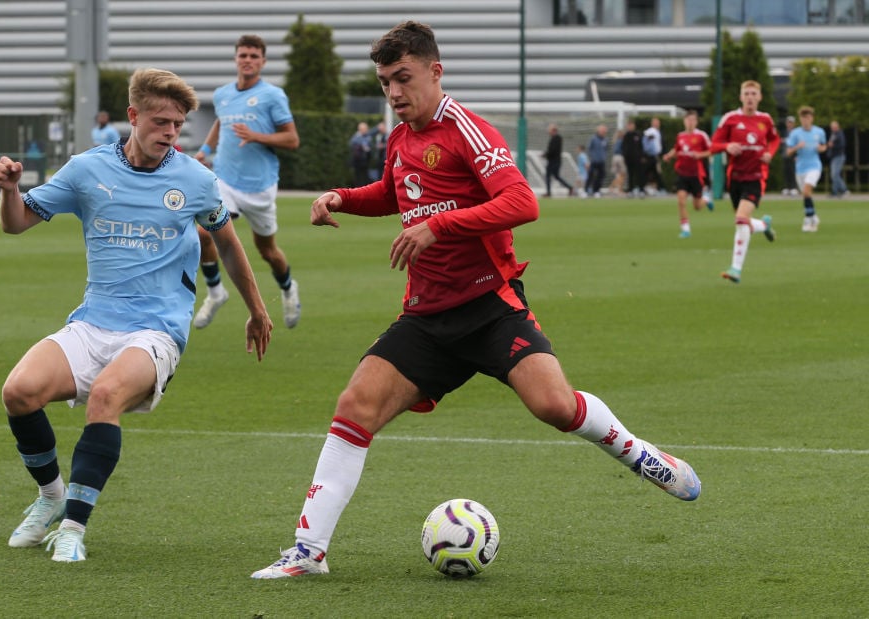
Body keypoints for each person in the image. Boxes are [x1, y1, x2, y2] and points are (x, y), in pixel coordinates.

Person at [250, 20, 701, 580]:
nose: (393, 92)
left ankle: (639, 453)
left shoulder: (467, 129)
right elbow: (395, 194)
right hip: (426, 317)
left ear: (435, 72)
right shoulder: (401, 136)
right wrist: (340, 197)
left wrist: (441, 226)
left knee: (554, 407)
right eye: (386, 81)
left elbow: (521, 201)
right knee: (354, 407)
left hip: (491, 306)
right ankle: (307, 551)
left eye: (403, 78)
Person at [0, 67, 273, 563]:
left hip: (156, 331)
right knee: (18, 392)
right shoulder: (86, 169)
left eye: (178, 125)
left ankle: (74, 527)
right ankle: (52, 496)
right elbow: (16, 225)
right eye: (160, 121)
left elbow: (228, 245)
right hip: (93, 321)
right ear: (133, 116)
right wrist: (10, 190)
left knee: (105, 396)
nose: (169, 132)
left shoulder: (196, 179)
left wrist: (257, 309)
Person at [193, 34, 301, 329]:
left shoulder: (273, 95)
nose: (248, 60)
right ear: (235, 59)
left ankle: (289, 287)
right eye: (243, 55)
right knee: (204, 234)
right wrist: (205, 150)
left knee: (268, 251)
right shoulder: (222, 94)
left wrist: (257, 136)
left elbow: (292, 139)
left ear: (263, 62)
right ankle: (216, 292)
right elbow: (221, 121)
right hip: (225, 181)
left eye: (254, 56)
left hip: (261, 186)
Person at [711, 80, 780, 284]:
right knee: (743, 223)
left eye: (753, 94)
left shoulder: (765, 119)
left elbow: (775, 140)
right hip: (736, 177)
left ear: (759, 97)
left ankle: (735, 269)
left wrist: (770, 152)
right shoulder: (730, 119)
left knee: (741, 219)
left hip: (757, 177)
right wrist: (727, 146)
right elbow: (713, 144)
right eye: (746, 94)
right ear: (741, 97)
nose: (750, 97)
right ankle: (764, 225)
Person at [662, 110, 712, 238]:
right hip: (682, 174)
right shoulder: (680, 136)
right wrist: (669, 155)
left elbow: (712, 150)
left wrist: (700, 155)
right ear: (684, 121)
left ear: (696, 122)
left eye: (693, 120)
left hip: (696, 175)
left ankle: (706, 200)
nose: (690, 122)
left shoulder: (702, 136)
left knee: (697, 206)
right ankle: (686, 229)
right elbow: (677, 149)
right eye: (688, 120)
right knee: (681, 201)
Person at [784, 106, 827, 233]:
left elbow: (823, 146)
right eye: (803, 118)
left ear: (812, 118)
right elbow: (788, 152)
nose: (805, 120)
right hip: (800, 168)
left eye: (808, 117)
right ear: (800, 119)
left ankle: (809, 220)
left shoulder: (819, 132)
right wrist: (797, 147)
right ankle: (813, 215)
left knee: (807, 191)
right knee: (806, 195)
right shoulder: (795, 133)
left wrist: (821, 149)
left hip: (814, 166)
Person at [542, 123, 574, 197]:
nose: (548, 132)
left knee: (549, 176)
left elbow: (553, 150)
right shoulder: (554, 138)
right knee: (555, 176)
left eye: (549, 130)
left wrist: (546, 155)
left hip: (554, 161)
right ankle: (569, 187)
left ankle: (549, 192)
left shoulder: (557, 138)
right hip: (553, 161)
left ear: (553, 130)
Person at [642, 117, 666, 194]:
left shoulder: (660, 132)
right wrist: (645, 154)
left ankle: (660, 189)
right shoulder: (649, 132)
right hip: (649, 156)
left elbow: (661, 144)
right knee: (647, 172)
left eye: (658, 123)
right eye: (655, 122)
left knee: (657, 173)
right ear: (652, 123)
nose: (656, 124)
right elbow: (645, 144)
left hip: (657, 156)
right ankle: (642, 188)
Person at [826, 120, 849, 198]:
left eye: (834, 126)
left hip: (839, 156)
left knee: (835, 174)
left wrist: (833, 145)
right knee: (834, 175)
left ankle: (842, 190)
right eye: (832, 127)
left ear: (837, 126)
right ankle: (838, 191)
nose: (833, 128)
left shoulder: (839, 134)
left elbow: (842, 144)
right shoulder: (834, 134)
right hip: (834, 157)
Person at [621, 120, 644, 197]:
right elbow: (623, 147)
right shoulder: (626, 136)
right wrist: (624, 156)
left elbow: (641, 147)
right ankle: (630, 190)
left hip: (637, 158)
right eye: (629, 125)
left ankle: (641, 190)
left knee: (639, 174)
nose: (631, 127)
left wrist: (641, 156)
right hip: (629, 159)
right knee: (630, 175)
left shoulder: (638, 134)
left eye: (632, 125)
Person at [585, 124, 608, 197]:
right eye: (602, 130)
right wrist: (589, 160)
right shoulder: (593, 138)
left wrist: (604, 157)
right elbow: (589, 149)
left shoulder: (605, 139)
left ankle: (596, 191)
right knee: (590, 176)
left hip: (602, 161)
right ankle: (586, 191)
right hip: (593, 161)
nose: (604, 132)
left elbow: (605, 149)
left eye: (605, 130)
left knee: (601, 176)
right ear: (598, 130)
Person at [348, 121, 371, 186]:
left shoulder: (367, 137)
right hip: (357, 160)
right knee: (358, 176)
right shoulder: (356, 137)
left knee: (365, 176)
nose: (366, 130)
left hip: (365, 160)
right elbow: (351, 145)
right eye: (364, 129)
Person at [780, 115, 798, 196]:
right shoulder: (784, 132)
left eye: (791, 123)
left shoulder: (796, 133)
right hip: (785, 154)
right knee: (785, 171)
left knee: (793, 171)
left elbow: (798, 144)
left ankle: (794, 188)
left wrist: (797, 155)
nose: (789, 124)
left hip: (793, 155)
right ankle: (787, 188)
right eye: (788, 122)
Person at [608, 129, 626, 196]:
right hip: (620, 157)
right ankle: (614, 188)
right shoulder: (621, 141)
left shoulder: (615, 141)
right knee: (622, 175)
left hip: (614, 157)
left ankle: (616, 189)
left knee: (618, 175)